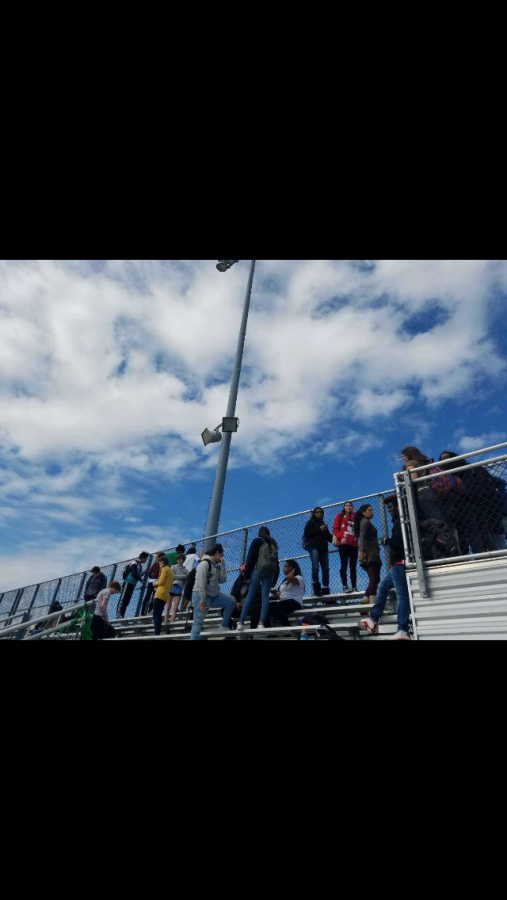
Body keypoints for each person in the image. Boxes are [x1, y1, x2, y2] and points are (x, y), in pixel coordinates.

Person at [359, 496, 412, 640]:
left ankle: (403, 630)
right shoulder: (397, 521)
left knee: (401, 595)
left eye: (391, 507)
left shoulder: (401, 521)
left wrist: (385, 540)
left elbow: (398, 543)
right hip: (395, 562)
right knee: (382, 586)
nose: (388, 510)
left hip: (399, 562)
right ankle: (373, 620)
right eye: (387, 507)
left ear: (398, 506)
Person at [439, 451, 507, 552]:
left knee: (489, 536)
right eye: (442, 459)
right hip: (465, 510)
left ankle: (493, 555)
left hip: (484, 506)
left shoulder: (472, 469)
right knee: (475, 535)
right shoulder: (446, 477)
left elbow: (485, 485)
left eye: (447, 457)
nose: (445, 460)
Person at [236, 527, 280, 632]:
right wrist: (275, 578)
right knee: (265, 596)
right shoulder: (273, 543)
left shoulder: (257, 541)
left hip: (258, 569)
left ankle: (241, 622)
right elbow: (276, 562)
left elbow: (250, 557)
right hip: (270, 572)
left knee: (250, 595)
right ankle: (261, 623)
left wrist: (247, 574)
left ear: (260, 533)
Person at [190, 544, 236, 641]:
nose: (221, 558)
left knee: (231, 601)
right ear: (217, 553)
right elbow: (200, 582)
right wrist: (202, 599)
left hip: (213, 596)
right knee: (197, 625)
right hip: (201, 596)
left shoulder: (217, 566)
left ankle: (224, 627)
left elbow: (223, 580)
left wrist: (223, 566)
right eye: (221, 555)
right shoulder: (204, 564)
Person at [354, 504, 382, 605]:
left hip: (373, 551)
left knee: (376, 578)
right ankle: (373, 603)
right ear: (363, 512)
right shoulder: (365, 521)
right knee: (374, 578)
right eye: (369, 510)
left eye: (372, 510)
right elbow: (362, 536)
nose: (372, 512)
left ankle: (366, 598)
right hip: (370, 553)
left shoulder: (366, 522)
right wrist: (362, 551)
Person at [303, 507, 332, 597]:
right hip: (313, 546)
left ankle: (325, 588)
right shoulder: (311, 522)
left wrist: (337, 537)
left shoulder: (324, 525)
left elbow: (329, 538)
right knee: (315, 566)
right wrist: (319, 530)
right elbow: (307, 533)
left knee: (326, 568)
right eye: (318, 512)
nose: (320, 514)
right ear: (314, 514)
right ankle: (316, 588)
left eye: (321, 512)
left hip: (323, 547)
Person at [267, 560, 305, 628]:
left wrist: (292, 571)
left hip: (295, 602)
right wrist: (275, 593)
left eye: (285, 566)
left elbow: (290, 578)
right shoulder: (285, 581)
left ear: (291, 567)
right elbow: (281, 596)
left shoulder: (299, 578)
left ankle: (288, 628)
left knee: (277, 606)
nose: (283, 569)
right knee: (264, 607)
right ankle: (269, 629)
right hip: (283, 602)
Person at [333, 502, 358, 594]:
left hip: (354, 544)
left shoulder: (355, 516)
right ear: (344, 507)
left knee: (353, 566)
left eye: (350, 506)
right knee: (344, 564)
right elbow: (335, 529)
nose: (348, 507)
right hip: (343, 544)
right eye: (347, 506)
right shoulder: (340, 516)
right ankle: (345, 586)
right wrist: (341, 537)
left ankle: (354, 586)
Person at [119, 552, 149, 618]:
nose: (146, 560)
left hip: (132, 584)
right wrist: (141, 580)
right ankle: (119, 614)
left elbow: (136, 575)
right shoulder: (134, 563)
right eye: (146, 559)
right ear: (143, 558)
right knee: (123, 599)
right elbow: (134, 574)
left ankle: (122, 615)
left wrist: (142, 574)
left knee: (127, 600)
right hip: (128, 582)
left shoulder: (140, 566)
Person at [152, 556, 174, 636]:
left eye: (159, 563)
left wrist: (155, 583)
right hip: (165, 595)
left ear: (162, 562)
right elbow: (171, 586)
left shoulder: (165, 569)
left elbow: (161, 581)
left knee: (156, 615)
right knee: (159, 613)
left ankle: (157, 633)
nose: (159, 565)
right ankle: (158, 632)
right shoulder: (171, 572)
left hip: (160, 594)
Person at [166, 555, 188, 625]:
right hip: (172, 586)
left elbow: (185, 580)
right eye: (178, 559)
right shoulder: (173, 566)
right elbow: (172, 576)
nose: (179, 560)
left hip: (179, 587)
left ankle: (171, 623)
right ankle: (165, 622)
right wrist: (183, 576)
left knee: (175, 607)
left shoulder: (185, 570)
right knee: (168, 606)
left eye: (181, 559)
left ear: (183, 560)